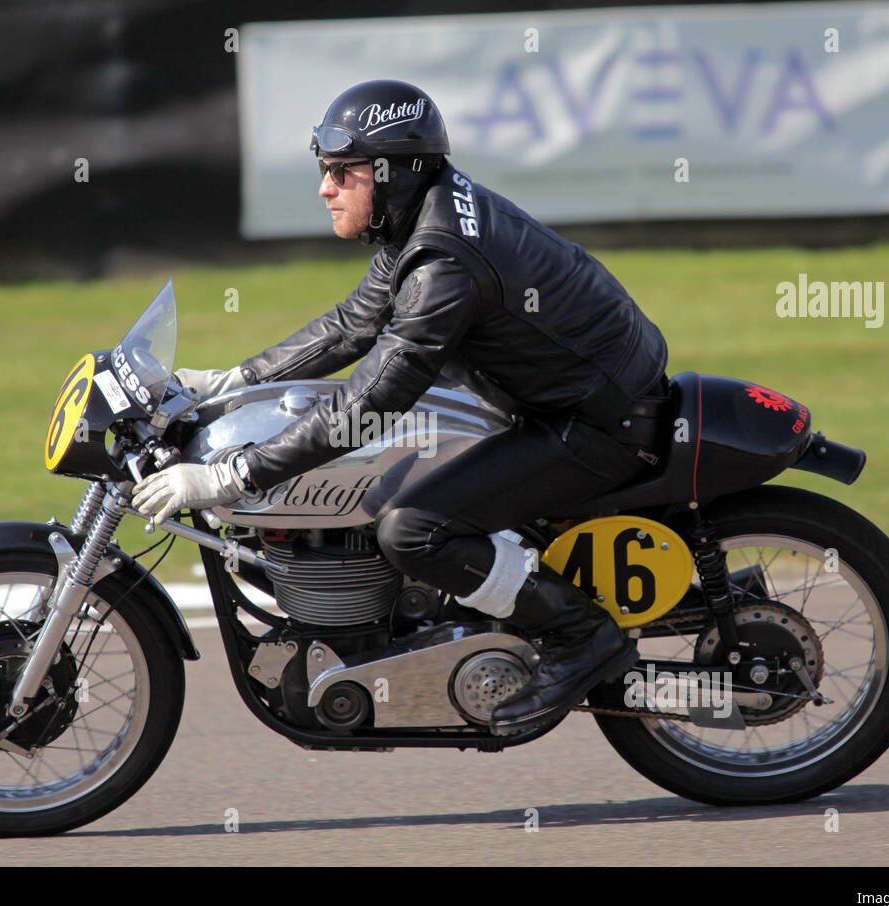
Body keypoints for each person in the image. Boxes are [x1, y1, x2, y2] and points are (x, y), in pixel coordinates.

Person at [132, 79, 670, 736]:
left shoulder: (442, 259)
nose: (325, 188)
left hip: (594, 423)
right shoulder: (422, 216)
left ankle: (580, 636)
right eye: (325, 171)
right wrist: (227, 381)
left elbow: (374, 398)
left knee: (412, 528)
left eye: (341, 172)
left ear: (393, 173)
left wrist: (231, 476)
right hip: (555, 397)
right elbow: (351, 327)